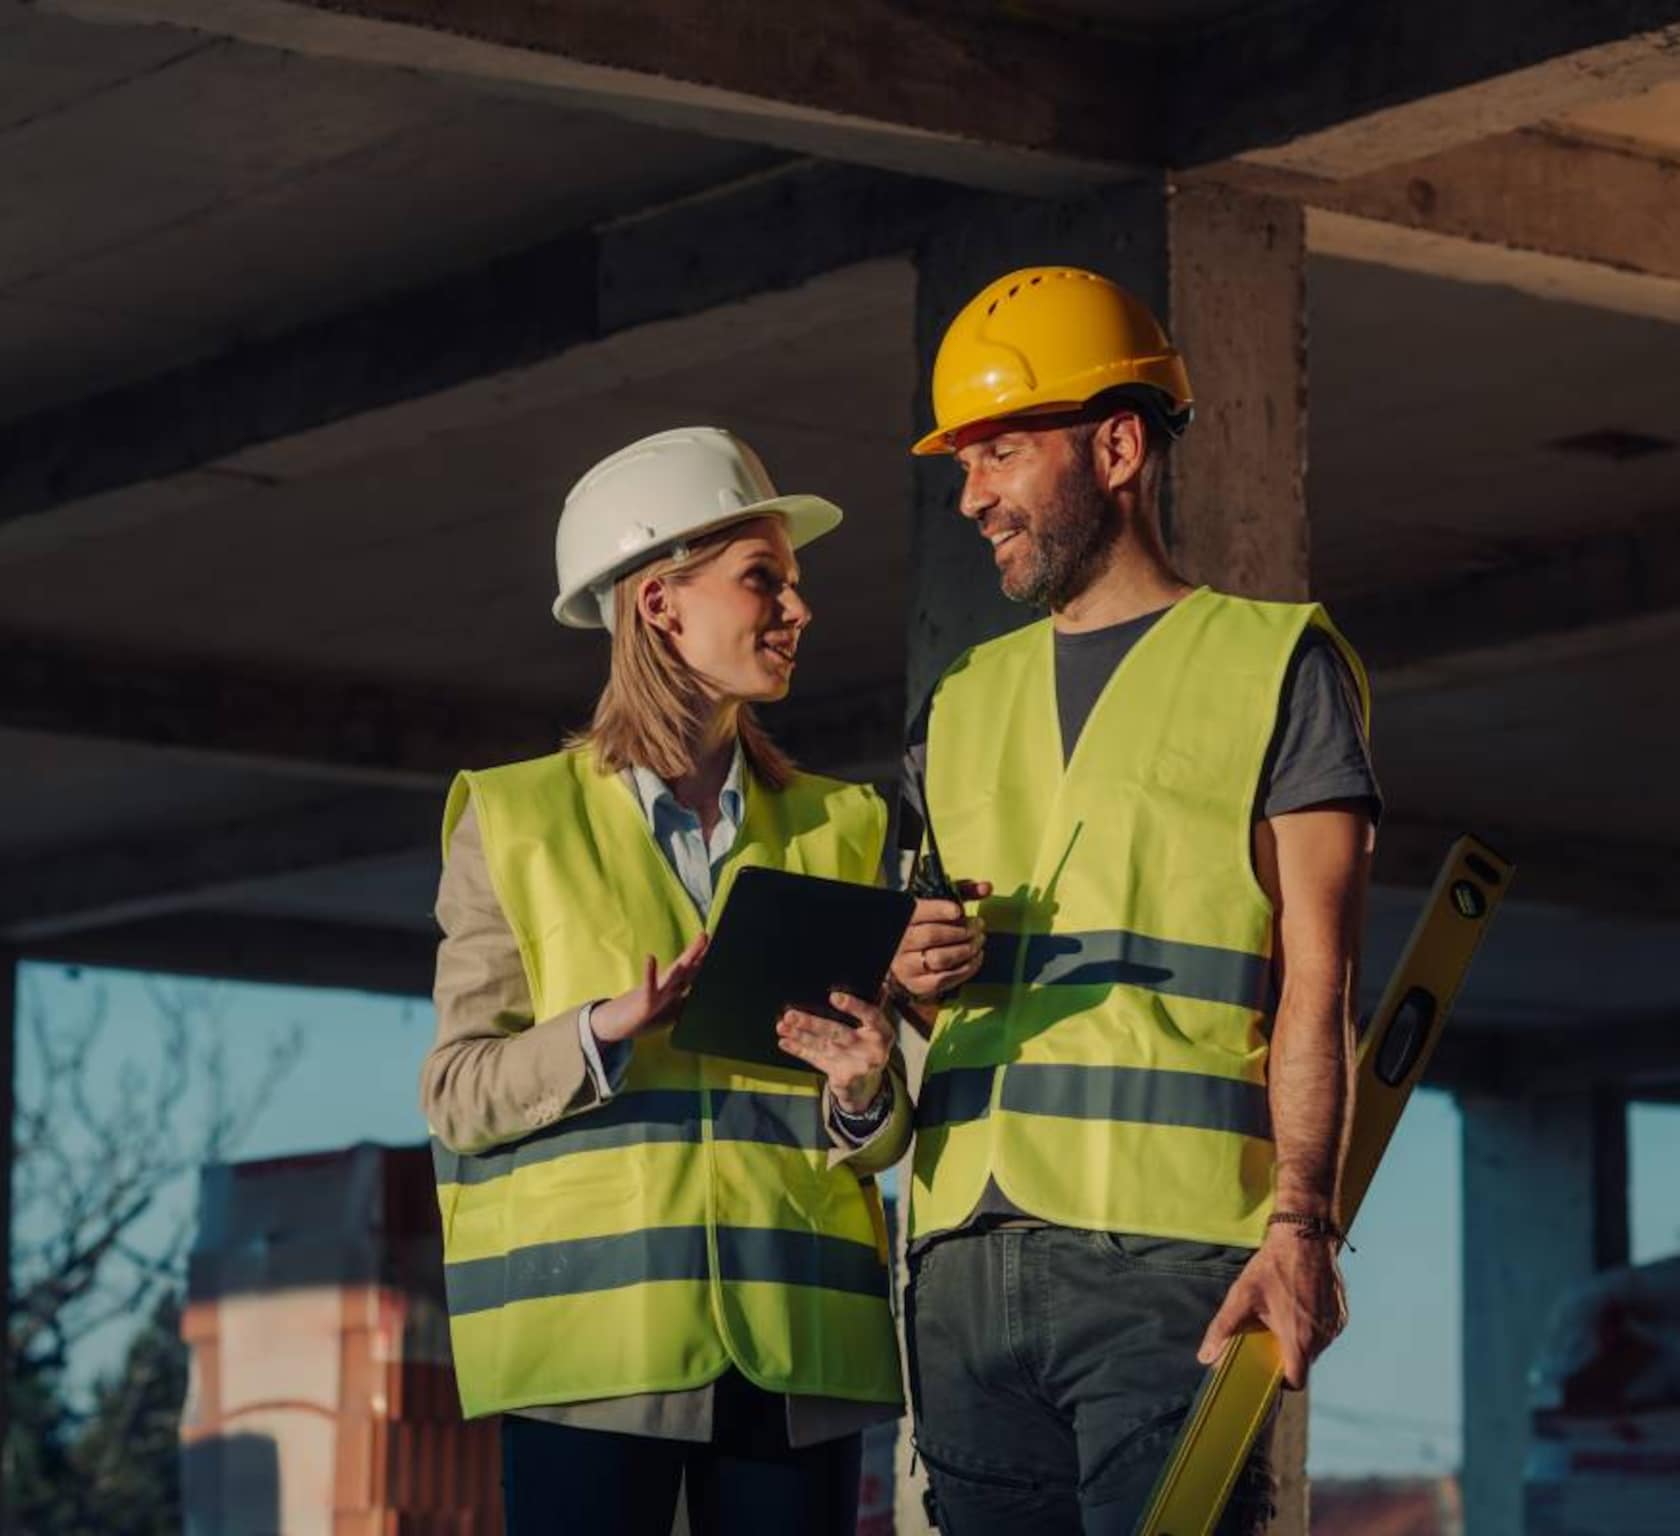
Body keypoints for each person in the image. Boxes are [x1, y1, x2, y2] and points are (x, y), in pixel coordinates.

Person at [889, 268, 1381, 1534]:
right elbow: (911, 988)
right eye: (960, 465)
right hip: (956, 1262)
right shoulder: (957, 701)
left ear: (1115, 446)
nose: (969, 496)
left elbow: (1318, 980)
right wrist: (907, 973)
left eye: (997, 452)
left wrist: (1301, 1228)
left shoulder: (1273, 665)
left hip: (1169, 1268)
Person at [422, 426, 912, 1536]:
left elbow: (880, 1140)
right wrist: (605, 1029)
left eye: (791, 584)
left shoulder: (846, 827)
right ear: (658, 604)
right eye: (762, 581)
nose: (797, 609)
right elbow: (455, 1091)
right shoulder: (513, 821)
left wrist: (863, 1091)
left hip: (797, 1358)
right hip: (589, 1362)